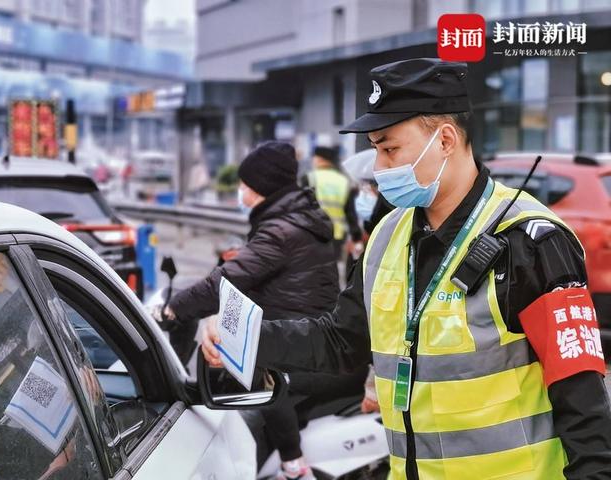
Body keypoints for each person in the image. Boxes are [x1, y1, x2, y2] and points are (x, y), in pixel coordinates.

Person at [202, 58, 611, 479]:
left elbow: (581, 396)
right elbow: (342, 340)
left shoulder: (530, 240)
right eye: (376, 150)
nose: (380, 168)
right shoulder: (387, 236)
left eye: (390, 149)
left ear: (445, 139)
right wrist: (245, 336)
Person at [161, 141, 366, 480]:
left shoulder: (281, 231)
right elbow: (253, 276)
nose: (240, 192)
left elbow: (222, 284)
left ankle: (293, 462)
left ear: (261, 187)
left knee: (260, 384)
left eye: (244, 185)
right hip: (299, 331)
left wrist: (173, 308)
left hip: (298, 344)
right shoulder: (294, 221)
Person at [300, 146, 363, 261]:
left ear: (320, 159)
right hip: (337, 235)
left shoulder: (309, 178)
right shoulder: (343, 181)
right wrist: (356, 237)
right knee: (332, 267)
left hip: (312, 234)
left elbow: (301, 208)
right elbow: (350, 213)